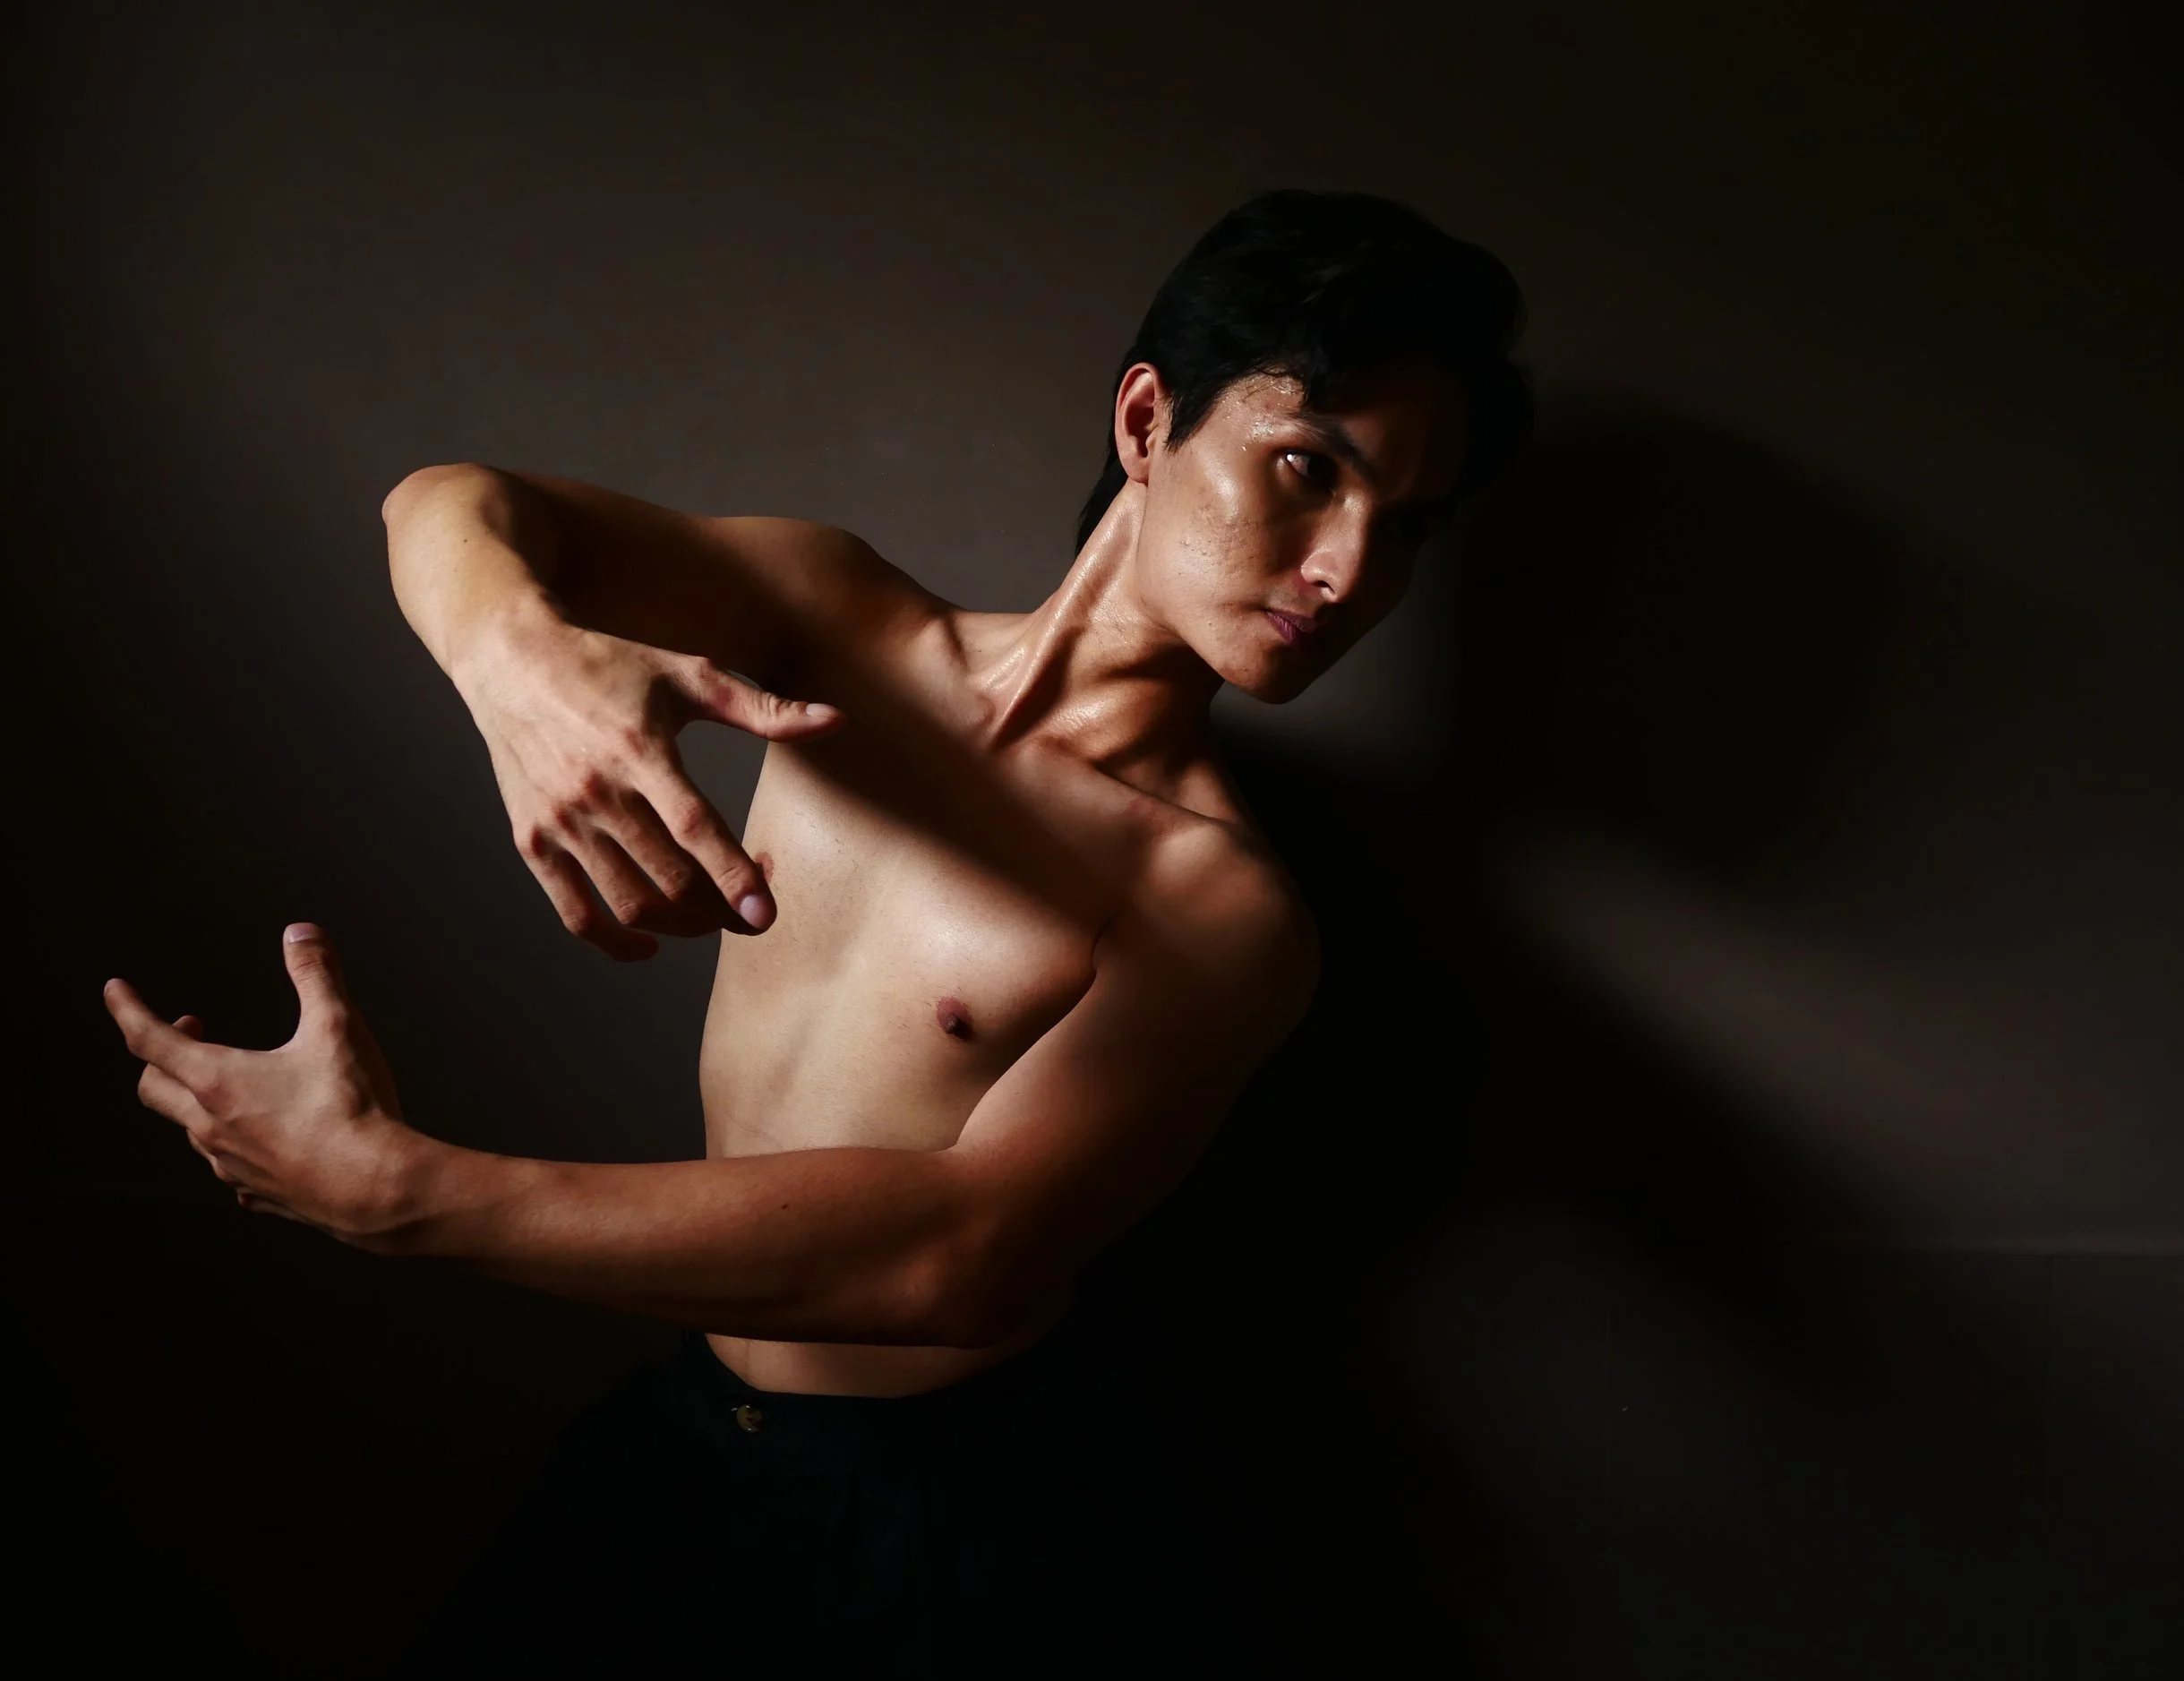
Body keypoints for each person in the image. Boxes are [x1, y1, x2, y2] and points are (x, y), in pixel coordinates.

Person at [101, 188, 1532, 1674]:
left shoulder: (1218, 904)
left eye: (1404, 530)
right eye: (1308, 468)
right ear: (1147, 419)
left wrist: (400, 1190)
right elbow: (449, 504)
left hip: (944, 1511)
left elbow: (960, 1258)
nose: (1346, 570)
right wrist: (522, 676)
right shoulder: (840, 624)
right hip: (687, 1431)